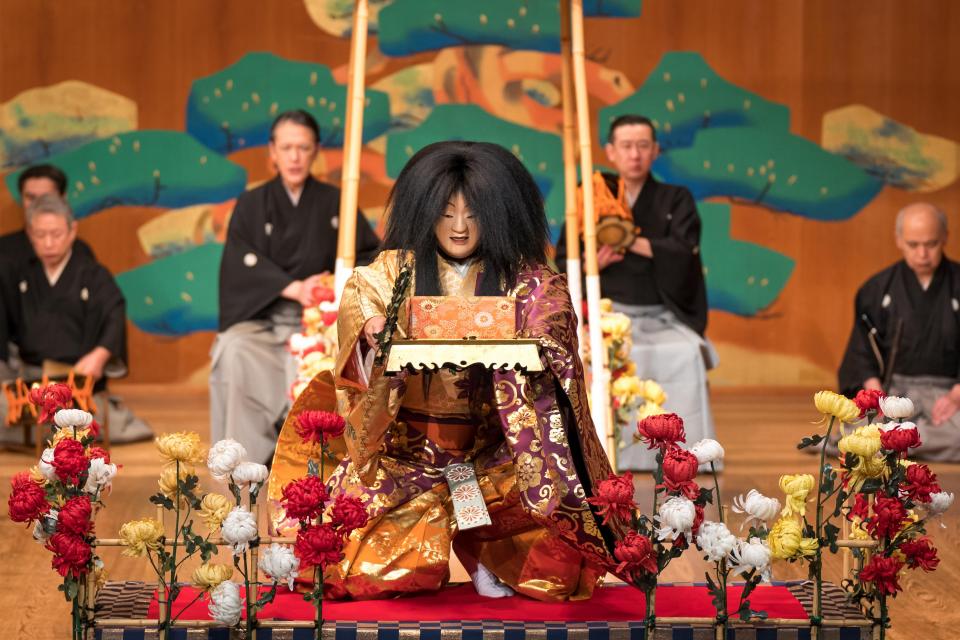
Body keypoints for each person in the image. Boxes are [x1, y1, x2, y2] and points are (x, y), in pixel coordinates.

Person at [270, 140, 624, 601]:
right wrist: (373, 328)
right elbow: (362, 301)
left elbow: (552, 320)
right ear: (425, 211)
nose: (459, 226)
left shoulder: (526, 276)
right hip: (408, 458)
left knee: (557, 563)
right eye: (446, 211)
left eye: (473, 212)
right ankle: (431, 550)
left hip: (495, 459)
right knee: (362, 573)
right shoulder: (393, 270)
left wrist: (534, 343)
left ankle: (488, 551)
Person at [210, 110, 380, 465]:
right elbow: (239, 266)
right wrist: (292, 288)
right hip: (264, 321)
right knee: (233, 350)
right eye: (286, 147)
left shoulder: (337, 203)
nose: (294, 156)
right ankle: (243, 467)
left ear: (316, 150)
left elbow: (369, 259)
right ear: (271, 151)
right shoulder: (251, 204)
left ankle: (319, 463)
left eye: (303, 147)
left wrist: (334, 282)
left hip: (321, 322)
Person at [555, 114, 716, 471]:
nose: (635, 154)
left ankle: (685, 457)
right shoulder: (590, 194)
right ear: (610, 152)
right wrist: (590, 261)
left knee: (687, 353)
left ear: (656, 151)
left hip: (661, 313)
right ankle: (607, 456)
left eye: (643, 146)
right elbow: (565, 256)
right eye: (626, 146)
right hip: (608, 314)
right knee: (602, 357)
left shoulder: (675, 198)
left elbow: (684, 250)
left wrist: (631, 241)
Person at [0, 194, 150, 443]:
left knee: (84, 416)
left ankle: (57, 430)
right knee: (13, 407)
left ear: (72, 231)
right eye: (40, 235)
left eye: (56, 234)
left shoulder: (93, 274)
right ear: (30, 234)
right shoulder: (20, 275)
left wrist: (99, 355)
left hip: (77, 386)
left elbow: (114, 310)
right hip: (32, 385)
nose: (48, 243)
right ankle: (61, 432)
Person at [839, 202, 960, 461]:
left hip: (950, 393)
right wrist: (878, 396)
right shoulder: (876, 289)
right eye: (913, 245)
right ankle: (906, 440)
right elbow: (862, 350)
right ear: (899, 240)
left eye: (931, 244)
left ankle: (891, 442)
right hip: (894, 391)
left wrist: (956, 395)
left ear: (945, 238)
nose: (922, 254)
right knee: (850, 427)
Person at [0, 165, 96, 377]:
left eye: (46, 197)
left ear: (63, 198)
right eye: (30, 197)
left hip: (71, 365)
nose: (37, 204)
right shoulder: (4, 251)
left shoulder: (80, 253)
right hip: (12, 362)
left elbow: (101, 312)